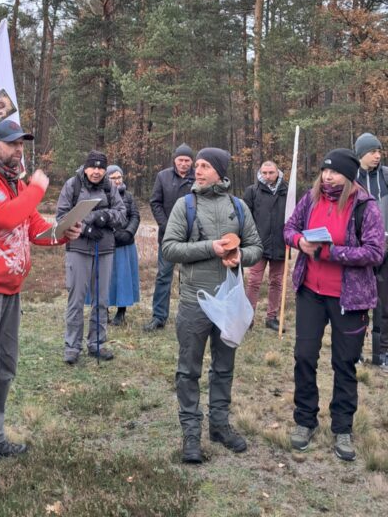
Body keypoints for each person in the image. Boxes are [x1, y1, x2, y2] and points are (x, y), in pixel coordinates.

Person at [0, 118, 81, 494]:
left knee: (4, 369)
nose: (18, 151)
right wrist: (39, 188)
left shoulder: (15, 183)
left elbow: (30, 226)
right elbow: (7, 216)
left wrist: (62, 233)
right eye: (12, 144)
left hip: (10, 289)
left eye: (21, 145)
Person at [162, 147, 263, 464]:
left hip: (230, 300)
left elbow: (256, 247)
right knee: (188, 370)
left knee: (224, 367)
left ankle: (219, 425)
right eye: (197, 165)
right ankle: (191, 432)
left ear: (220, 171)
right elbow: (170, 248)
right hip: (195, 301)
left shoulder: (238, 207)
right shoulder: (185, 205)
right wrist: (211, 247)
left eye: (205, 166)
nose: (198, 170)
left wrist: (240, 256)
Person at [284, 149, 384, 462]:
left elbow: (375, 252)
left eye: (335, 172)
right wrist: (300, 242)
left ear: (349, 176)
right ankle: (304, 419)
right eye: (324, 171)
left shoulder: (365, 206)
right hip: (310, 292)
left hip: (349, 298)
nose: (328, 177)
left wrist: (331, 253)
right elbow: (289, 228)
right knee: (304, 356)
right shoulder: (310, 198)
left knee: (344, 363)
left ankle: (342, 427)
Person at [57, 151, 126, 364]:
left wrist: (104, 216)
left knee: (102, 300)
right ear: (86, 167)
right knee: (76, 300)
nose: (96, 171)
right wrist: (85, 228)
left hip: (105, 249)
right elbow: (61, 216)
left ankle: (97, 343)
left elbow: (122, 213)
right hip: (78, 248)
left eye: (100, 168)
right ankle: (72, 346)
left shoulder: (110, 187)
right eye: (93, 167)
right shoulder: (72, 185)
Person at [144, 144, 195, 332]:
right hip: (167, 237)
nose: (183, 163)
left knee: (189, 278)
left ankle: (188, 316)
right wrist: (166, 226)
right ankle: (158, 316)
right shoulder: (163, 177)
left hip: (192, 238)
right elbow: (155, 202)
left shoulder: (198, 177)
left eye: (187, 160)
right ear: (175, 160)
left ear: (192, 162)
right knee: (164, 276)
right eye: (180, 160)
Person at [355, 132, 388, 369]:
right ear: (360, 154)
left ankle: (382, 353)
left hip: (386, 250)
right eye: (372, 152)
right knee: (358, 302)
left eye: (379, 151)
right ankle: (355, 350)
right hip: (359, 250)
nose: (377, 155)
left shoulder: (386, 176)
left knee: (384, 304)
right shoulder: (350, 179)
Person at [243, 160, 288, 331]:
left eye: (271, 172)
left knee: (276, 282)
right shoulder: (252, 191)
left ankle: (272, 317)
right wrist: (249, 239)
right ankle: (248, 318)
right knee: (254, 281)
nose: (268, 176)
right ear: (260, 173)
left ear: (278, 172)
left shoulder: (287, 192)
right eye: (264, 173)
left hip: (281, 244)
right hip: (258, 245)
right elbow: (245, 218)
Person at [106, 165, 140, 326]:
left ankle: (121, 312)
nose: (117, 180)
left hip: (125, 244)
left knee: (123, 279)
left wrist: (128, 233)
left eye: (119, 177)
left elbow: (135, 216)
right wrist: (112, 234)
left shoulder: (128, 196)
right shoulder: (102, 195)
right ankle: (102, 309)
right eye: (113, 178)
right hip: (108, 244)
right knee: (106, 279)